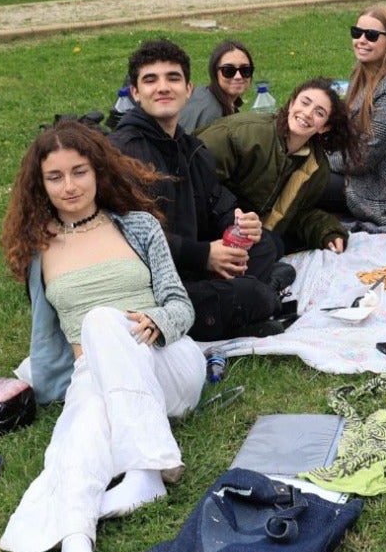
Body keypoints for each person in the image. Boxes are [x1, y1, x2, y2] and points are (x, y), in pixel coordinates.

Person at [0, 119, 204, 552]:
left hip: (170, 366)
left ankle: (148, 466)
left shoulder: (138, 227)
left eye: (79, 172)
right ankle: (76, 543)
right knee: (81, 427)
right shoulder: (38, 250)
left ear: (97, 172)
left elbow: (181, 305)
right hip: (97, 375)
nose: (69, 186)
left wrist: (159, 322)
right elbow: (47, 337)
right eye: (55, 177)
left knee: (101, 321)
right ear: (40, 184)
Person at [105, 39, 290, 340]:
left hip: (192, 267)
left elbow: (218, 203)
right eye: (150, 80)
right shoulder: (125, 152)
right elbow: (131, 237)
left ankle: (240, 303)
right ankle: (257, 301)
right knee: (254, 294)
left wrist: (240, 224)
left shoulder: (192, 148)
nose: (163, 87)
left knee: (265, 243)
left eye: (173, 78)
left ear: (189, 89)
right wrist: (203, 255)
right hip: (154, 286)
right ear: (136, 93)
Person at [197, 77, 363, 255]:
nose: (307, 113)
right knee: (272, 249)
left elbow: (297, 213)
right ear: (291, 104)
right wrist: (233, 216)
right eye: (304, 103)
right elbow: (196, 176)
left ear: (325, 127)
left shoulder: (315, 167)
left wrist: (328, 231)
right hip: (208, 224)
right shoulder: (244, 135)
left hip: (255, 235)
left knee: (276, 247)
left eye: (319, 113)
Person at [324, 6, 386, 224]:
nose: (361, 40)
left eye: (371, 35)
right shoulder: (362, 73)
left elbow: (363, 158)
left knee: (307, 179)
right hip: (361, 171)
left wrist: (318, 158)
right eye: (356, 32)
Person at [180, 39, 254, 133]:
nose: (238, 76)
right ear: (215, 73)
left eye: (245, 70)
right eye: (228, 70)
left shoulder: (204, 93)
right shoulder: (213, 115)